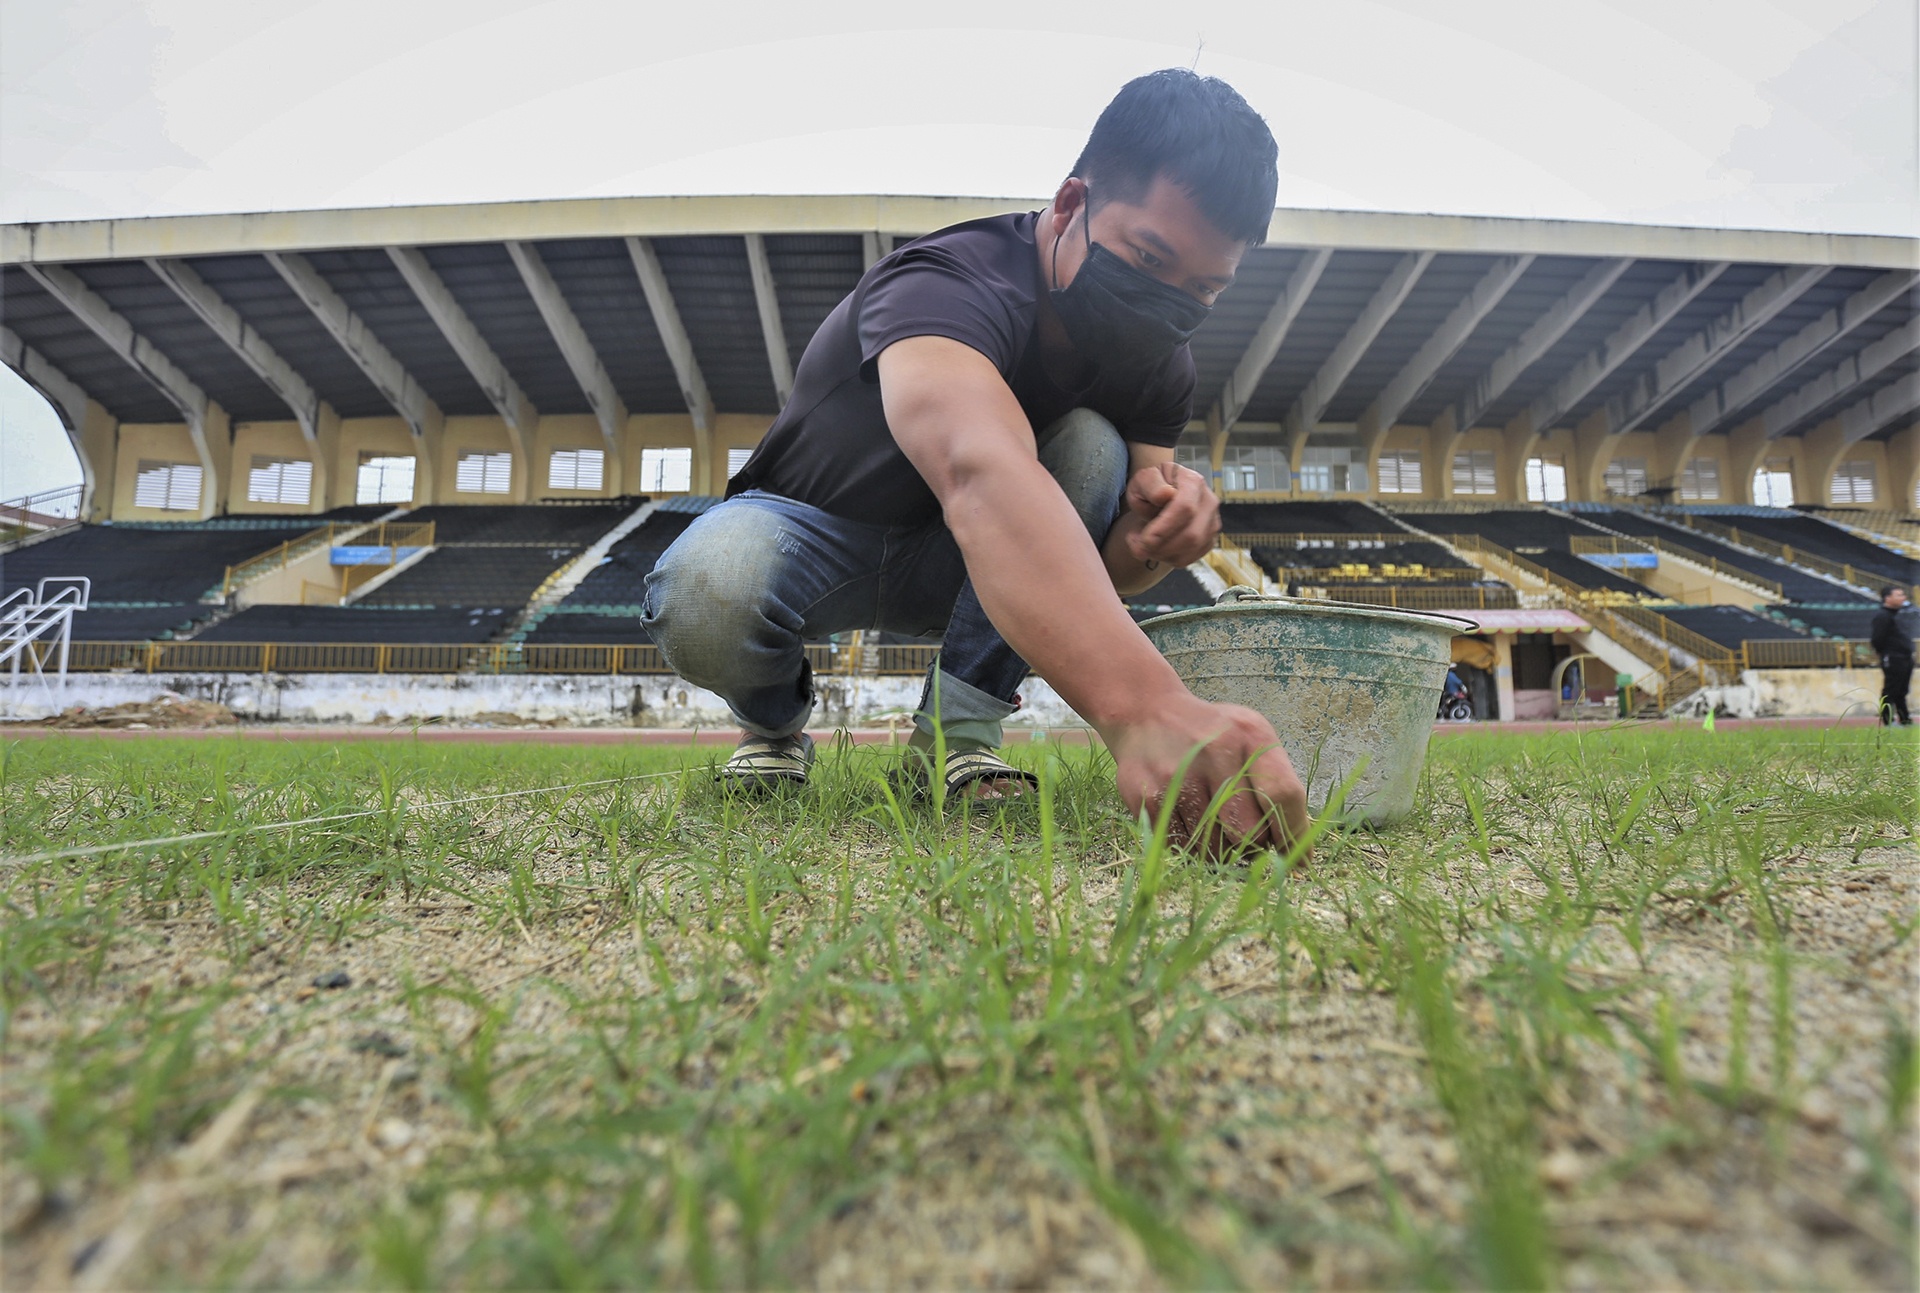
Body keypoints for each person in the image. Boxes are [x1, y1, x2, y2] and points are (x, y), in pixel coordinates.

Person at [643, 69, 1308, 854]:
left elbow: (1105, 569)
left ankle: (955, 737)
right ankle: (772, 729)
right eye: (1148, 256)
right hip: (814, 533)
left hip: (967, 566)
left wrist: (1156, 539)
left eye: (1205, 287)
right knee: (708, 584)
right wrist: (1148, 709)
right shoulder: (949, 280)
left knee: (1092, 443)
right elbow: (977, 469)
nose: (1169, 300)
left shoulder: (1161, 364)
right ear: (1071, 204)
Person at [1869, 584, 1915, 726]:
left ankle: (1905, 719)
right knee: (1891, 690)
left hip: (1905, 657)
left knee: (1902, 690)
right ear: (1887, 598)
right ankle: (1888, 721)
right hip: (1893, 657)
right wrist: (1886, 653)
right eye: (1899, 595)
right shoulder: (1882, 616)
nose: (1903, 598)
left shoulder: (1897, 615)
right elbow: (1877, 639)